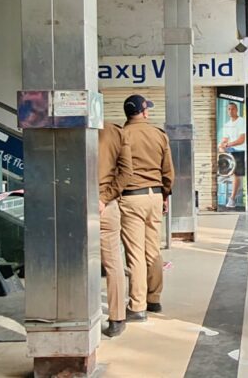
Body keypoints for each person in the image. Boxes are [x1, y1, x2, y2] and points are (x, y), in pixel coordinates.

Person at [119, 95, 175, 322]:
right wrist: (165, 194)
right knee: (153, 250)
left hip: (131, 198)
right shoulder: (158, 134)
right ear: (143, 111)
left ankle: (137, 306)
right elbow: (168, 170)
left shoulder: (121, 135)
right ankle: (154, 298)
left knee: (135, 254)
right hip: (155, 196)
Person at [98, 121, 133, 337]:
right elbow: (126, 172)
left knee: (71, 263)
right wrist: (104, 198)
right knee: (113, 263)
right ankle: (117, 318)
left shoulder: (63, 126)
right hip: (104, 207)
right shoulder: (115, 132)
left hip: (70, 206)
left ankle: (72, 313)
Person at [218, 102, 246, 208]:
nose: (230, 111)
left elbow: (241, 140)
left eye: (233, 109)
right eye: (229, 109)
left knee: (236, 175)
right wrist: (221, 145)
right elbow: (225, 139)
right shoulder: (227, 124)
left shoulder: (242, 121)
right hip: (230, 150)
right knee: (219, 149)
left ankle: (232, 199)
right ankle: (225, 173)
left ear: (237, 110)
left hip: (239, 150)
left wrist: (228, 144)